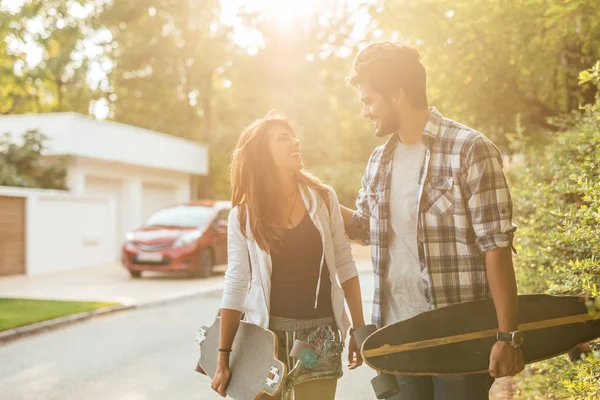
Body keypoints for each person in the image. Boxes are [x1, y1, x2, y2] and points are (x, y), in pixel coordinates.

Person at [339, 42, 525, 399]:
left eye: (368, 101)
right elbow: (364, 230)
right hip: (397, 336)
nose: (365, 112)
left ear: (397, 94)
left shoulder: (470, 149)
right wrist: (317, 194)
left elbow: (496, 248)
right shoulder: (379, 161)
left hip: (458, 334)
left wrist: (507, 336)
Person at [211, 112, 366, 400]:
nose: (296, 142)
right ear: (262, 154)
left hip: (319, 339)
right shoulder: (243, 217)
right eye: (284, 138)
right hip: (268, 340)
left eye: (294, 136)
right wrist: (224, 357)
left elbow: (345, 265)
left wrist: (358, 328)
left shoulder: (323, 198)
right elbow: (235, 285)